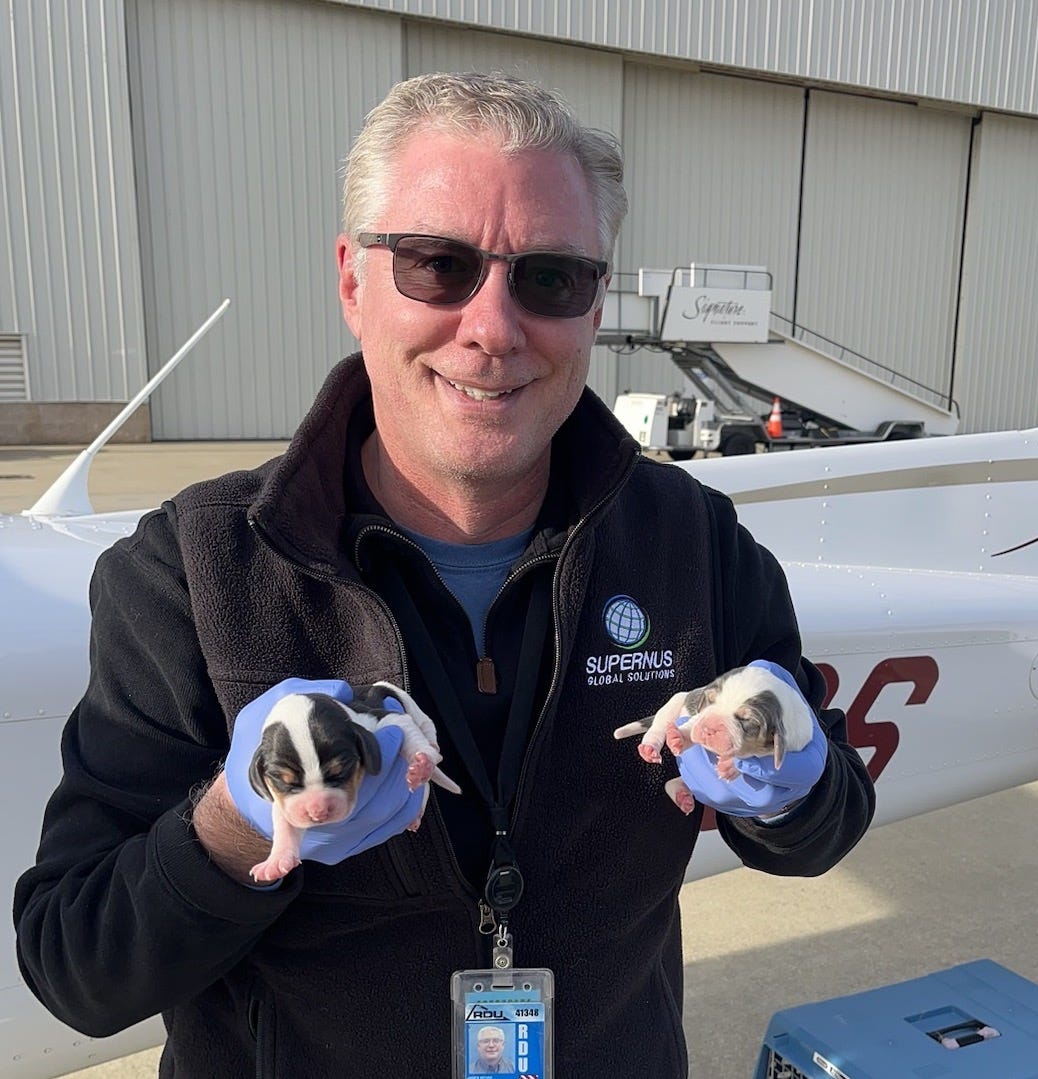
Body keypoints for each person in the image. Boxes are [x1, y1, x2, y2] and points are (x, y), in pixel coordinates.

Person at [12, 71, 874, 1077]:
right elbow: (78, 967)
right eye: (437, 264)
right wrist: (238, 817)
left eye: (550, 277)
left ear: (594, 304)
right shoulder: (191, 572)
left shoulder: (696, 542)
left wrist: (798, 775)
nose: (494, 326)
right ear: (351, 281)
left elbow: (820, 831)